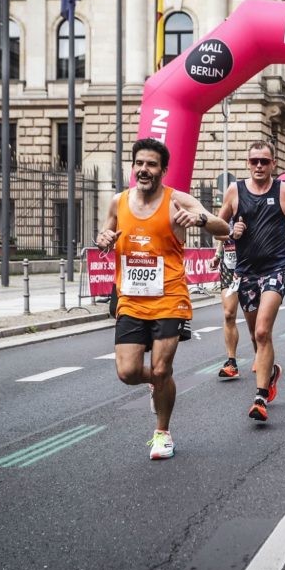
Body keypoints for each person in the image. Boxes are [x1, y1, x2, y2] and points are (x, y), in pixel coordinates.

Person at [96, 138, 230, 459]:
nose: (144, 169)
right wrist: (102, 239)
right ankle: (158, 383)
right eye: (139, 163)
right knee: (128, 372)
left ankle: (162, 432)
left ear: (163, 170)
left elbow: (223, 227)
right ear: (133, 167)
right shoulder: (118, 202)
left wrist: (198, 219)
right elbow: (105, 233)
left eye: (151, 164)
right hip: (130, 298)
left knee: (159, 368)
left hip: (170, 296)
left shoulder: (177, 200)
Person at [217, 141, 285, 423]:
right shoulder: (235, 190)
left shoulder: (284, 191)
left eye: (264, 161)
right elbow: (216, 225)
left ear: (273, 163)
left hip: (275, 268)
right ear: (247, 163)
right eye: (254, 161)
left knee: (262, 331)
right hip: (246, 272)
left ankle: (260, 397)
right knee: (254, 335)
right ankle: (271, 371)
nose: (259, 166)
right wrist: (230, 231)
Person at [209, 230, 241, 380]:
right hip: (228, 267)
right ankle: (231, 362)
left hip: (250, 265)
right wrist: (217, 255)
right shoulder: (226, 209)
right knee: (229, 314)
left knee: (257, 321)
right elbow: (220, 234)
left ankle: (260, 356)